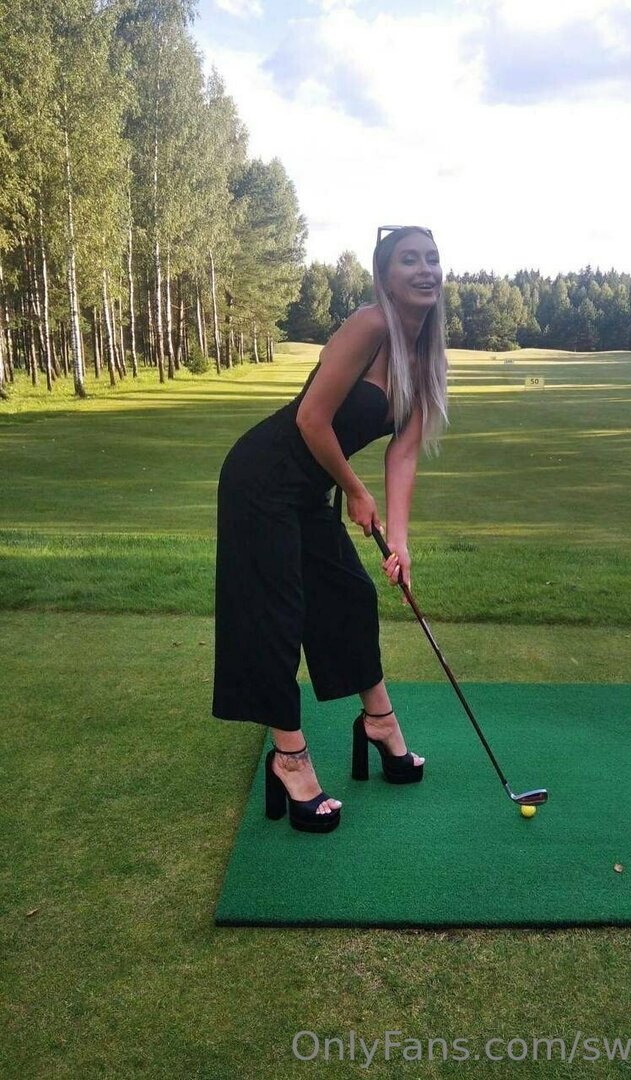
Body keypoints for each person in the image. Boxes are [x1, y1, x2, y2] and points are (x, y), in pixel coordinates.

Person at [212, 225, 447, 834]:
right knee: (277, 614)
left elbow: (403, 455)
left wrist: (400, 542)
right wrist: (355, 490)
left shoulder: (425, 361)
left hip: (309, 487)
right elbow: (311, 419)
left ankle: (379, 723)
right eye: (409, 260)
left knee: (350, 594)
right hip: (262, 478)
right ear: (385, 275)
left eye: (432, 258)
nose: (424, 270)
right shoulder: (370, 326)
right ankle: (289, 759)